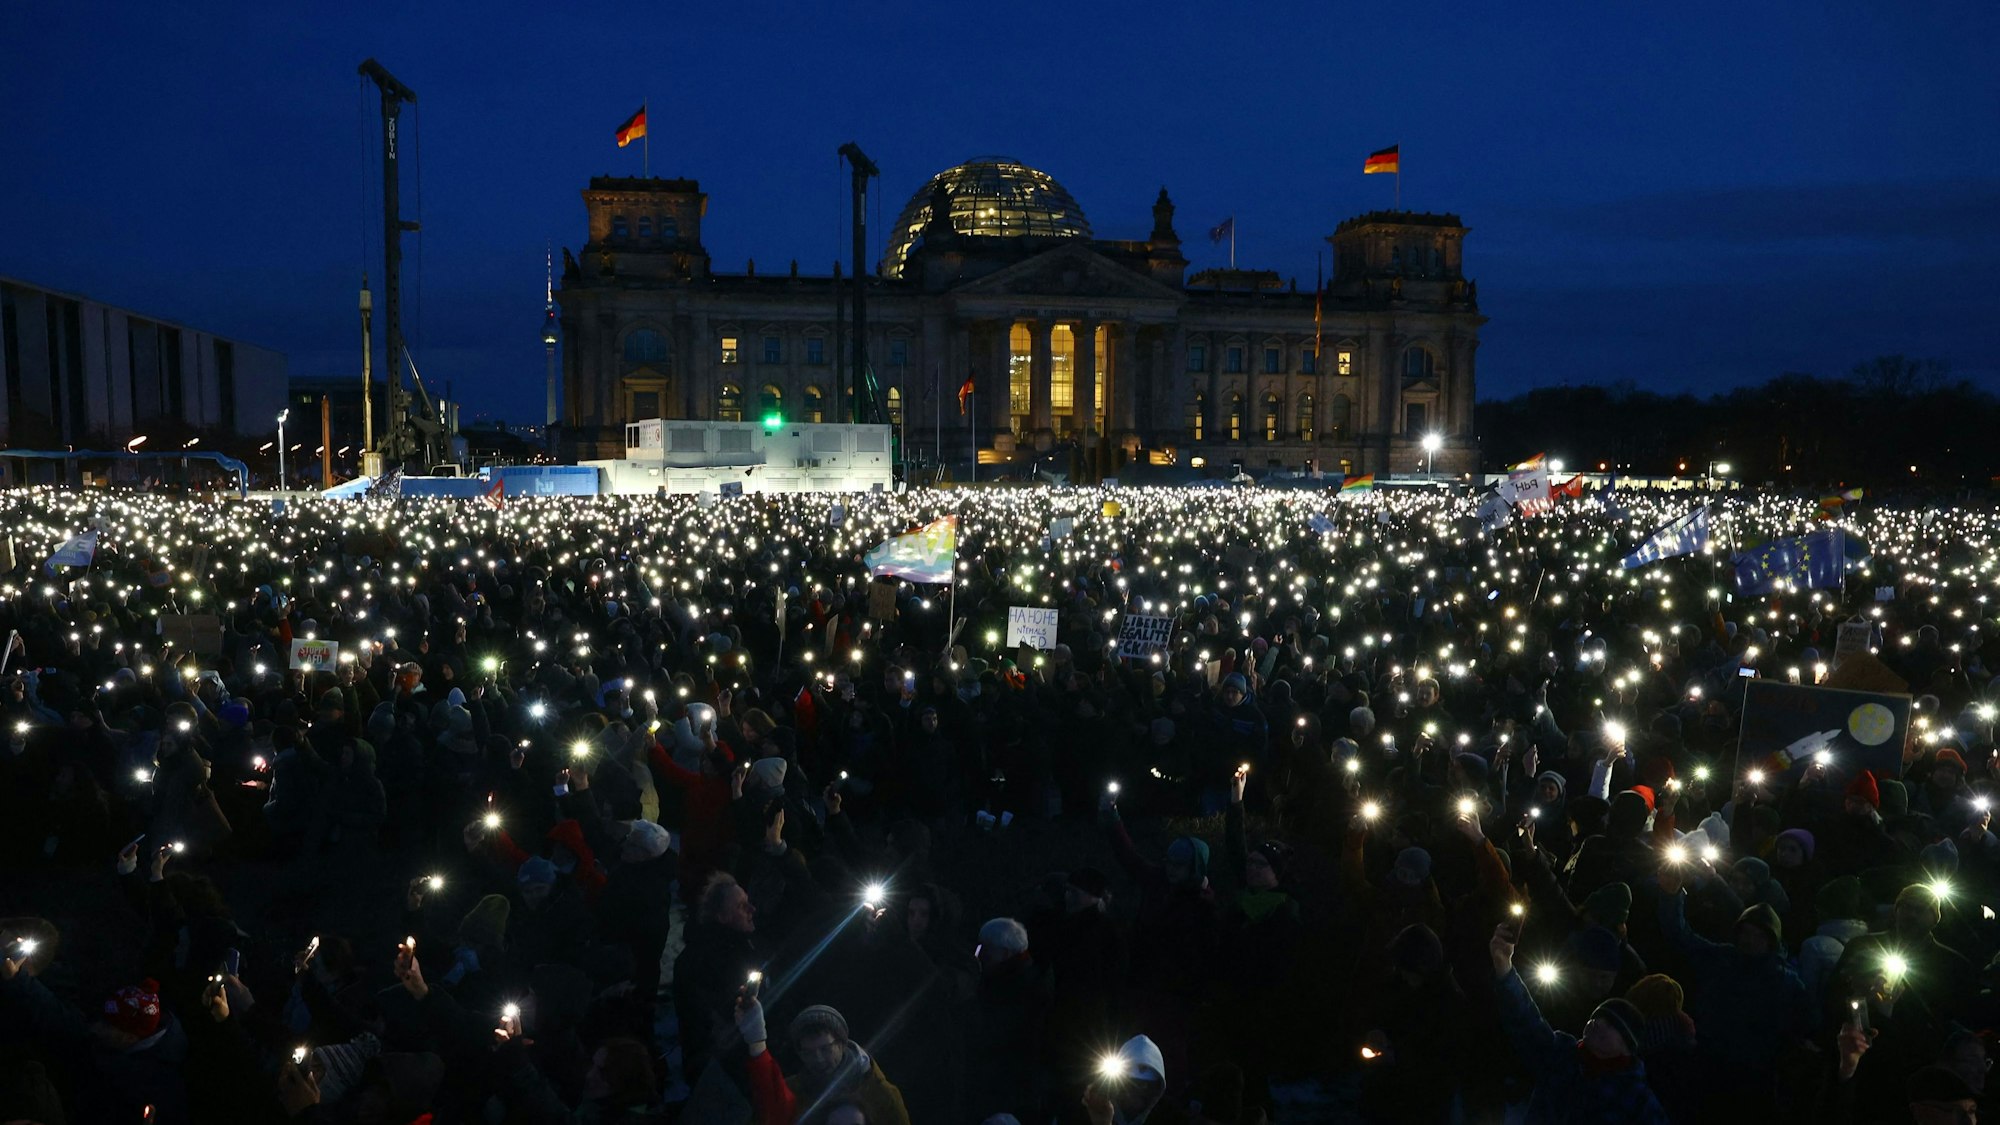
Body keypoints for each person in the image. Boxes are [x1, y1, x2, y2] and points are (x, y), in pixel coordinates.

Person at [1488, 922, 1670, 1123]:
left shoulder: (1634, 1095)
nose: (1597, 1024)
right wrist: (1504, 968)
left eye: (1610, 1025)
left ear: (1627, 1045)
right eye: (1596, 1018)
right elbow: (1525, 1020)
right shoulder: (1562, 1054)